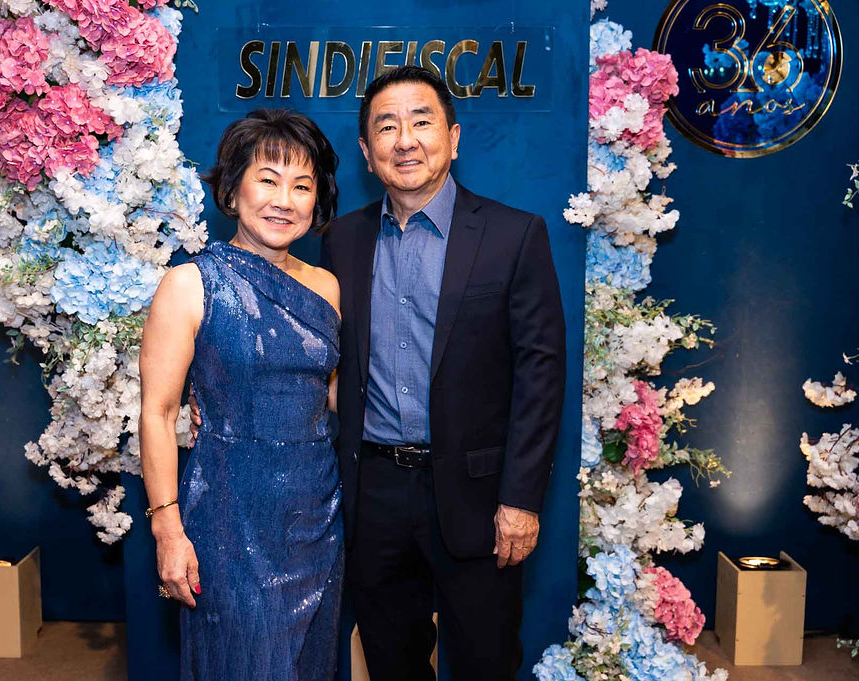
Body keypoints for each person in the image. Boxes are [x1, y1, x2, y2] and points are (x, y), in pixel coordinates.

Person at [320, 65, 566, 680]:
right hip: (373, 493)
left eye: (422, 121)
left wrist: (520, 499)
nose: (405, 140)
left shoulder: (514, 235)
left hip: (478, 496)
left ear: (453, 138)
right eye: (386, 127)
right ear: (366, 151)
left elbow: (541, 377)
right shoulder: (341, 241)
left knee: (486, 662)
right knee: (391, 663)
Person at [139, 108, 342, 681]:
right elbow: (158, 413)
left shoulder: (326, 286)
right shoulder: (190, 283)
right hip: (229, 517)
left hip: (318, 512)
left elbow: (329, 394)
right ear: (232, 189)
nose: (284, 200)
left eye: (302, 186)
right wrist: (167, 530)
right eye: (268, 180)